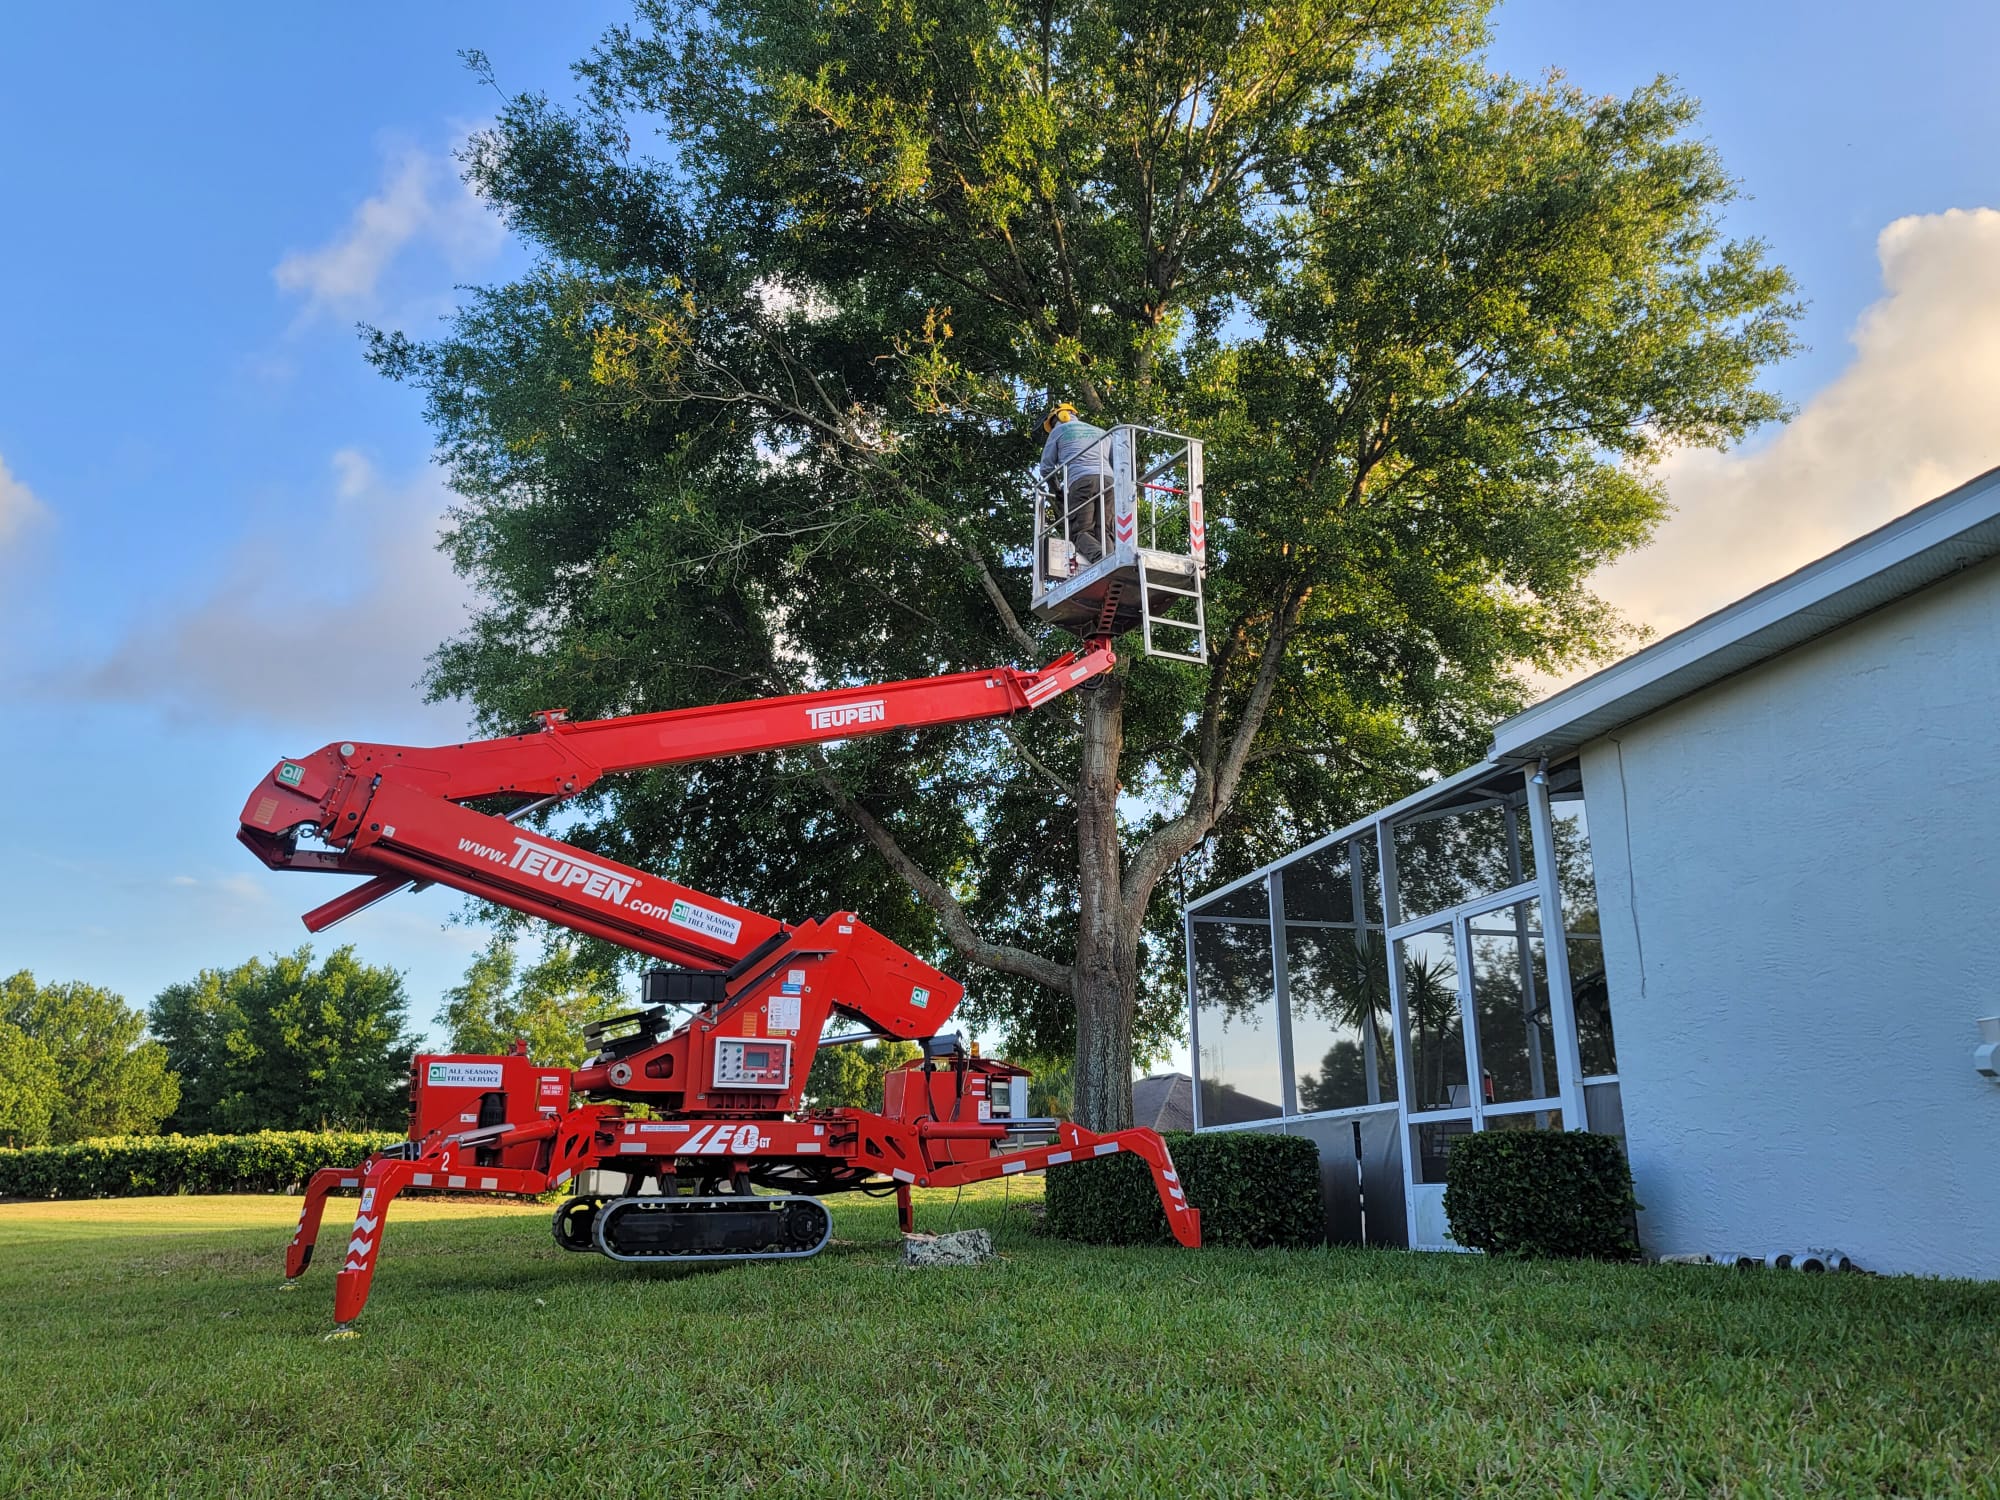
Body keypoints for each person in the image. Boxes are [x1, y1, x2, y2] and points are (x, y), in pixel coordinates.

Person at [1038, 403, 1112, 564]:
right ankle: (1112, 559)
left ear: (1058, 417)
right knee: (1104, 530)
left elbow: (1046, 468)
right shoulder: (1102, 432)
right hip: (1109, 482)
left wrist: (1057, 490)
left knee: (1080, 531)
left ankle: (1101, 559)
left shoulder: (1058, 430)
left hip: (1082, 482)